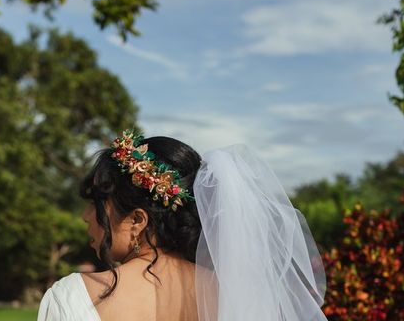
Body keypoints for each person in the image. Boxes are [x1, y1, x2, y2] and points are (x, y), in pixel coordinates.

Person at [37, 130, 327, 320]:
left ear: (138, 220)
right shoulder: (237, 295)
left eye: (97, 203)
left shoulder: (73, 297)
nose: (87, 216)